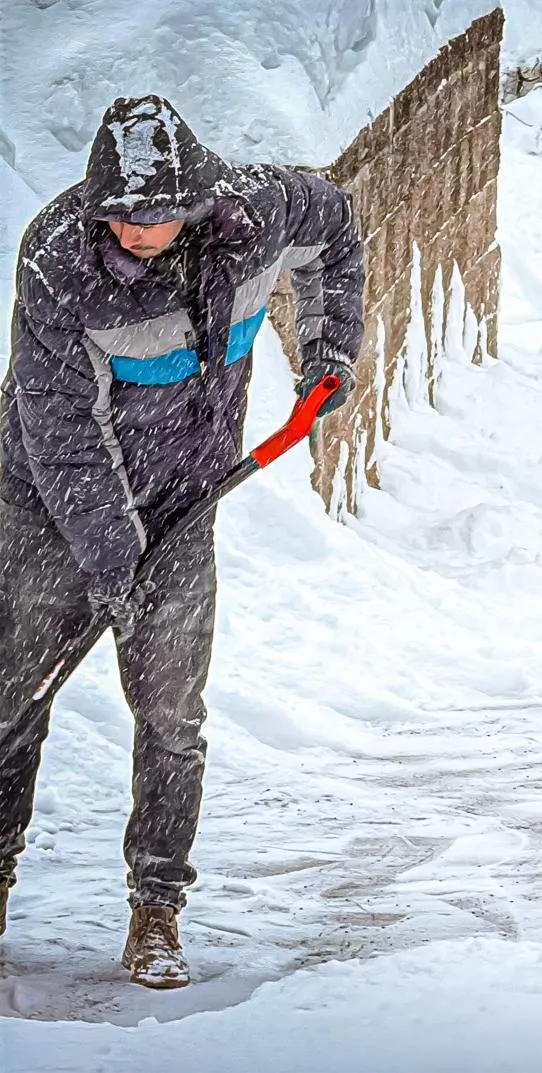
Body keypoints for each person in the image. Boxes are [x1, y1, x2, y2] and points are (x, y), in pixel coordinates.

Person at [0, 95, 363, 989]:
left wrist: (330, 351)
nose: (134, 230)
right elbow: (61, 432)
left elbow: (339, 231)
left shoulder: (256, 209)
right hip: (50, 508)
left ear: (196, 199)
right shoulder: (59, 262)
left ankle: (156, 911)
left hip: (185, 501)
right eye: (118, 214)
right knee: (15, 704)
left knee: (171, 715)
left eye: (153, 215)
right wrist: (115, 559)